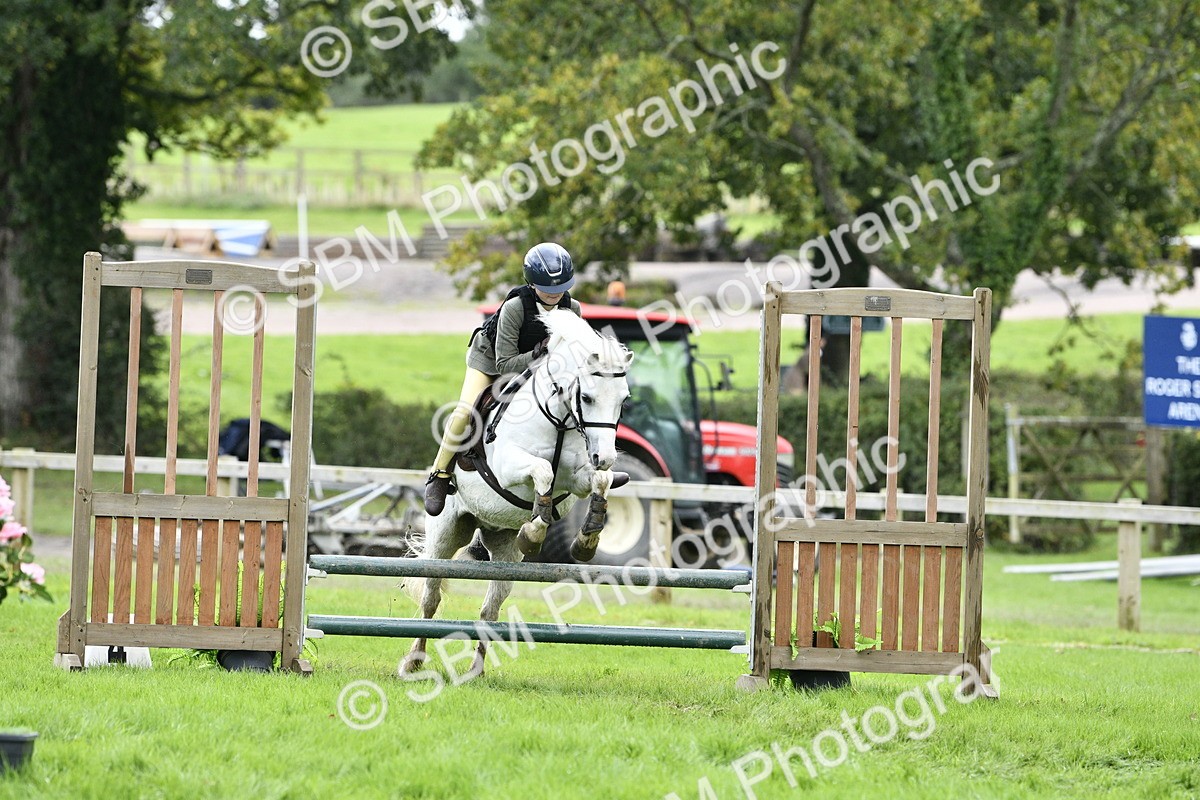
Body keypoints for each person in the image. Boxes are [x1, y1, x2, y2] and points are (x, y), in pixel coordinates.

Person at [424, 242, 583, 516]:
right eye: (548, 288)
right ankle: (440, 474)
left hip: (539, 368)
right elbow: (505, 363)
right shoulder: (515, 307)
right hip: (491, 361)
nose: (556, 294)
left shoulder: (573, 309)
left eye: (561, 288)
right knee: (464, 412)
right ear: (532, 284)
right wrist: (540, 353)